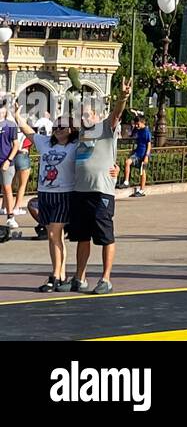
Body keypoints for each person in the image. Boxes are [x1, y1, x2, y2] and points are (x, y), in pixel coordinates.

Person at [69, 79, 132, 294]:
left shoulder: (106, 127)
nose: (85, 118)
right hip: (80, 192)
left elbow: (116, 114)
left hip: (101, 191)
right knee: (81, 236)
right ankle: (80, 277)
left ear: (97, 115)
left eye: (88, 114)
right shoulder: (80, 134)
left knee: (105, 236)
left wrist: (122, 98)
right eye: (82, 114)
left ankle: (106, 278)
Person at [14, 102, 77, 290]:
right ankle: (61, 273)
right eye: (55, 126)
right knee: (54, 237)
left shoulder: (74, 146)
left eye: (62, 127)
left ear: (71, 129)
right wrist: (17, 115)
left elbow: (98, 147)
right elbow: (28, 132)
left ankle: (55, 276)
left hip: (63, 195)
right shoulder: (45, 143)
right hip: (45, 194)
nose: (57, 130)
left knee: (53, 233)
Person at [117, 115, 152, 197]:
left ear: (142, 122)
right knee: (127, 162)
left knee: (142, 171)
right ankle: (126, 181)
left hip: (143, 155)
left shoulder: (147, 132)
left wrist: (146, 156)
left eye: (138, 124)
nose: (136, 125)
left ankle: (142, 190)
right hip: (137, 153)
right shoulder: (138, 130)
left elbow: (149, 144)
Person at [1, 101, 22, 231]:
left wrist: (8, 160)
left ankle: (10, 217)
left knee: (7, 188)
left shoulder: (11, 125)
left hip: (5, 161)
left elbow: (16, 145)